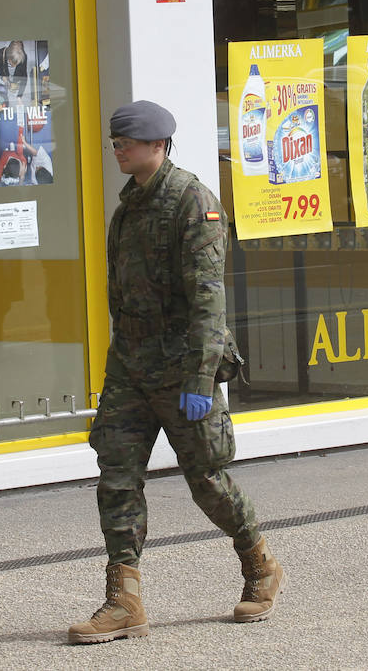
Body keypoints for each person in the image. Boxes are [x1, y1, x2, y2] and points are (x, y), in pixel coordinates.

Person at [67, 99, 283, 645]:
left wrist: (200, 379)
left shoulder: (193, 203)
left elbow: (210, 303)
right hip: (132, 367)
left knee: (206, 479)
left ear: (158, 144)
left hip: (184, 365)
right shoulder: (127, 210)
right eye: (116, 142)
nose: (118, 149)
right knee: (116, 476)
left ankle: (259, 563)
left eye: (127, 142)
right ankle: (124, 601)